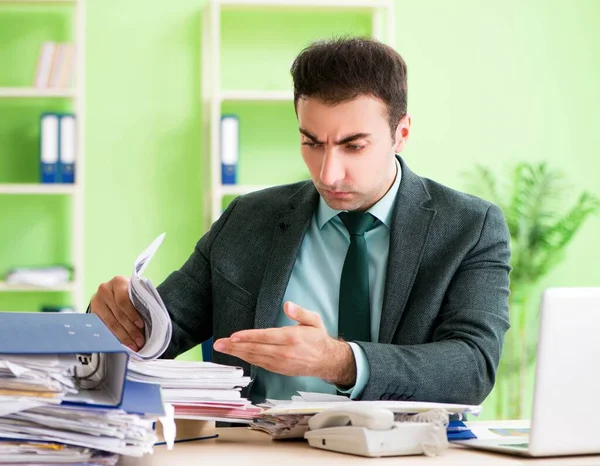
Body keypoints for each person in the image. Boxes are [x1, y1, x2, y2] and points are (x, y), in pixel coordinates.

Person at [90, 37, 511, 405]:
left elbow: (472, 366)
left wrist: (341, 362)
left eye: (353, 146)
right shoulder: (248, 218)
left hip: (402, 451)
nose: (327, 173)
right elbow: (158, 335)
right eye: (311, 142)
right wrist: (112, 316)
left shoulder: (470, 228)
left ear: (401, 133)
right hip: (255, 452)